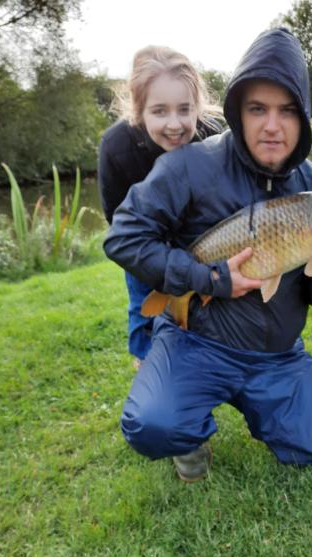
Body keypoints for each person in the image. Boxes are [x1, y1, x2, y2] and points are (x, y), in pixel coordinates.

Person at [103, 28, 312, 482]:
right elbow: (122, 238)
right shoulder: (187, 165)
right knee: (153, 425)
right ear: (237, 111)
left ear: (304, 116)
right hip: (198, 343)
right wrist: (206, 279)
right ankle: (189, 432)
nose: (272, 125)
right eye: (257, 109)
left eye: (287, 110)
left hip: (276, 355)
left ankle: (264, 407)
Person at [98, 45, 221, 366]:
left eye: (184, 109)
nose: (175, 124)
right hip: (147, 249)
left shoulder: (213, 137)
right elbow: (117, 221)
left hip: (201, 245)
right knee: (147, 317)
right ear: (139, 111)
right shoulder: (116, 147)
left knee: (202, 322)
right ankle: (147, 367)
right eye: (160, 111)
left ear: (198, 106)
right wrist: (160, 260)